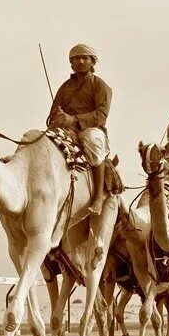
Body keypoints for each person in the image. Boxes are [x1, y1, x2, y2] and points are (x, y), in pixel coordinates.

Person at [47, 44, 111, 215]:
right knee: (45, 141)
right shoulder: (64, 87)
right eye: (76, 58)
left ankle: (98, 197)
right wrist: (58, 118)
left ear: (92, 62)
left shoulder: (100, 85)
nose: (81, 61)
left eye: (85, 58)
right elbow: (53, 112)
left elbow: (101, 115)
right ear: (71, 63)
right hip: (66, 130)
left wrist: (74, 119)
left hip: (91, 129)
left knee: (93, 142)